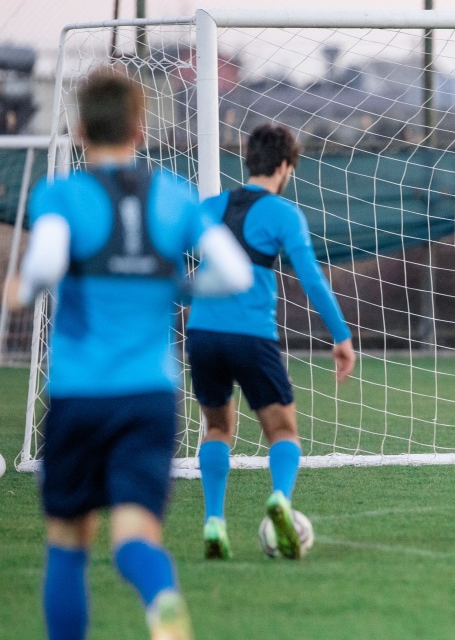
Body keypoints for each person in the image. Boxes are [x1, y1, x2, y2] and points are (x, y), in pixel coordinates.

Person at [10, 67, 253, 640]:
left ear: (77, 129)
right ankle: (161, 593)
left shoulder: (63, 194)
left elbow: (43, 266)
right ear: (140, 129)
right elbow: (237, 273)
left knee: (68, 545)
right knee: (135, 540)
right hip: (149, 398)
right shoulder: (172, 195)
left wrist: (20, 289)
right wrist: (179, 287)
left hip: (79, 395)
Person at [186, 123, 356, 561]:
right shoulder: (283, 214)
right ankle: (280, 498)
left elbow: (167, 255)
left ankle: (214, 522)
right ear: (283, 166)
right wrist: (340, 336)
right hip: (251, 336)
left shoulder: (209, 207)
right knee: (283, 431)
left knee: (218, 428)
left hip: (202, 334)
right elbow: (312, 279)